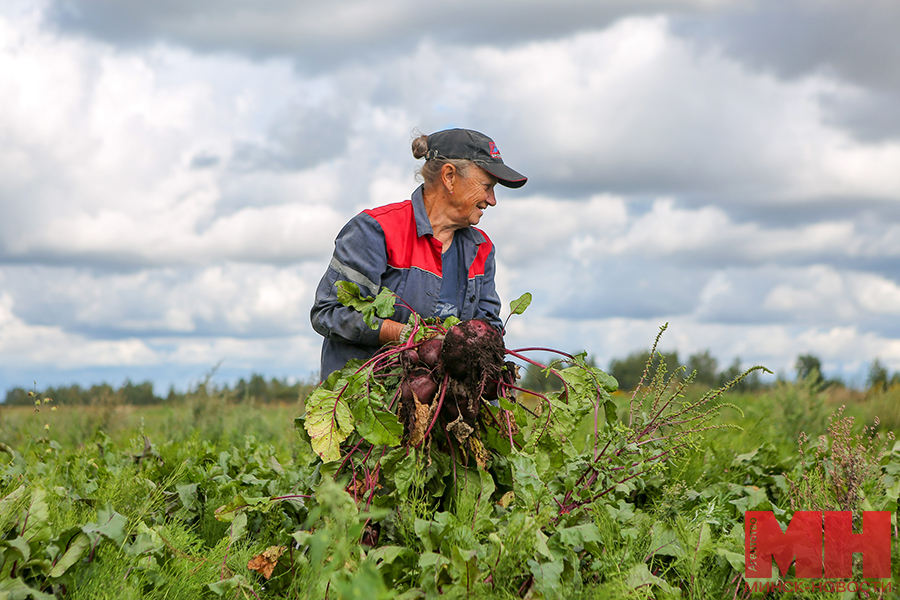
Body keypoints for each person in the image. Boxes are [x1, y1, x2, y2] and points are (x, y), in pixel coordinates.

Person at [310, 128, 527, 380]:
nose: (492, 200)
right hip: (368, 400)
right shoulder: (377, 230)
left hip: (442, 411)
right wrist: (407, 335)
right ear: (449, 177)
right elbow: (329, 313)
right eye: (487, 186)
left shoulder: (481, 248)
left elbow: (488, 327)